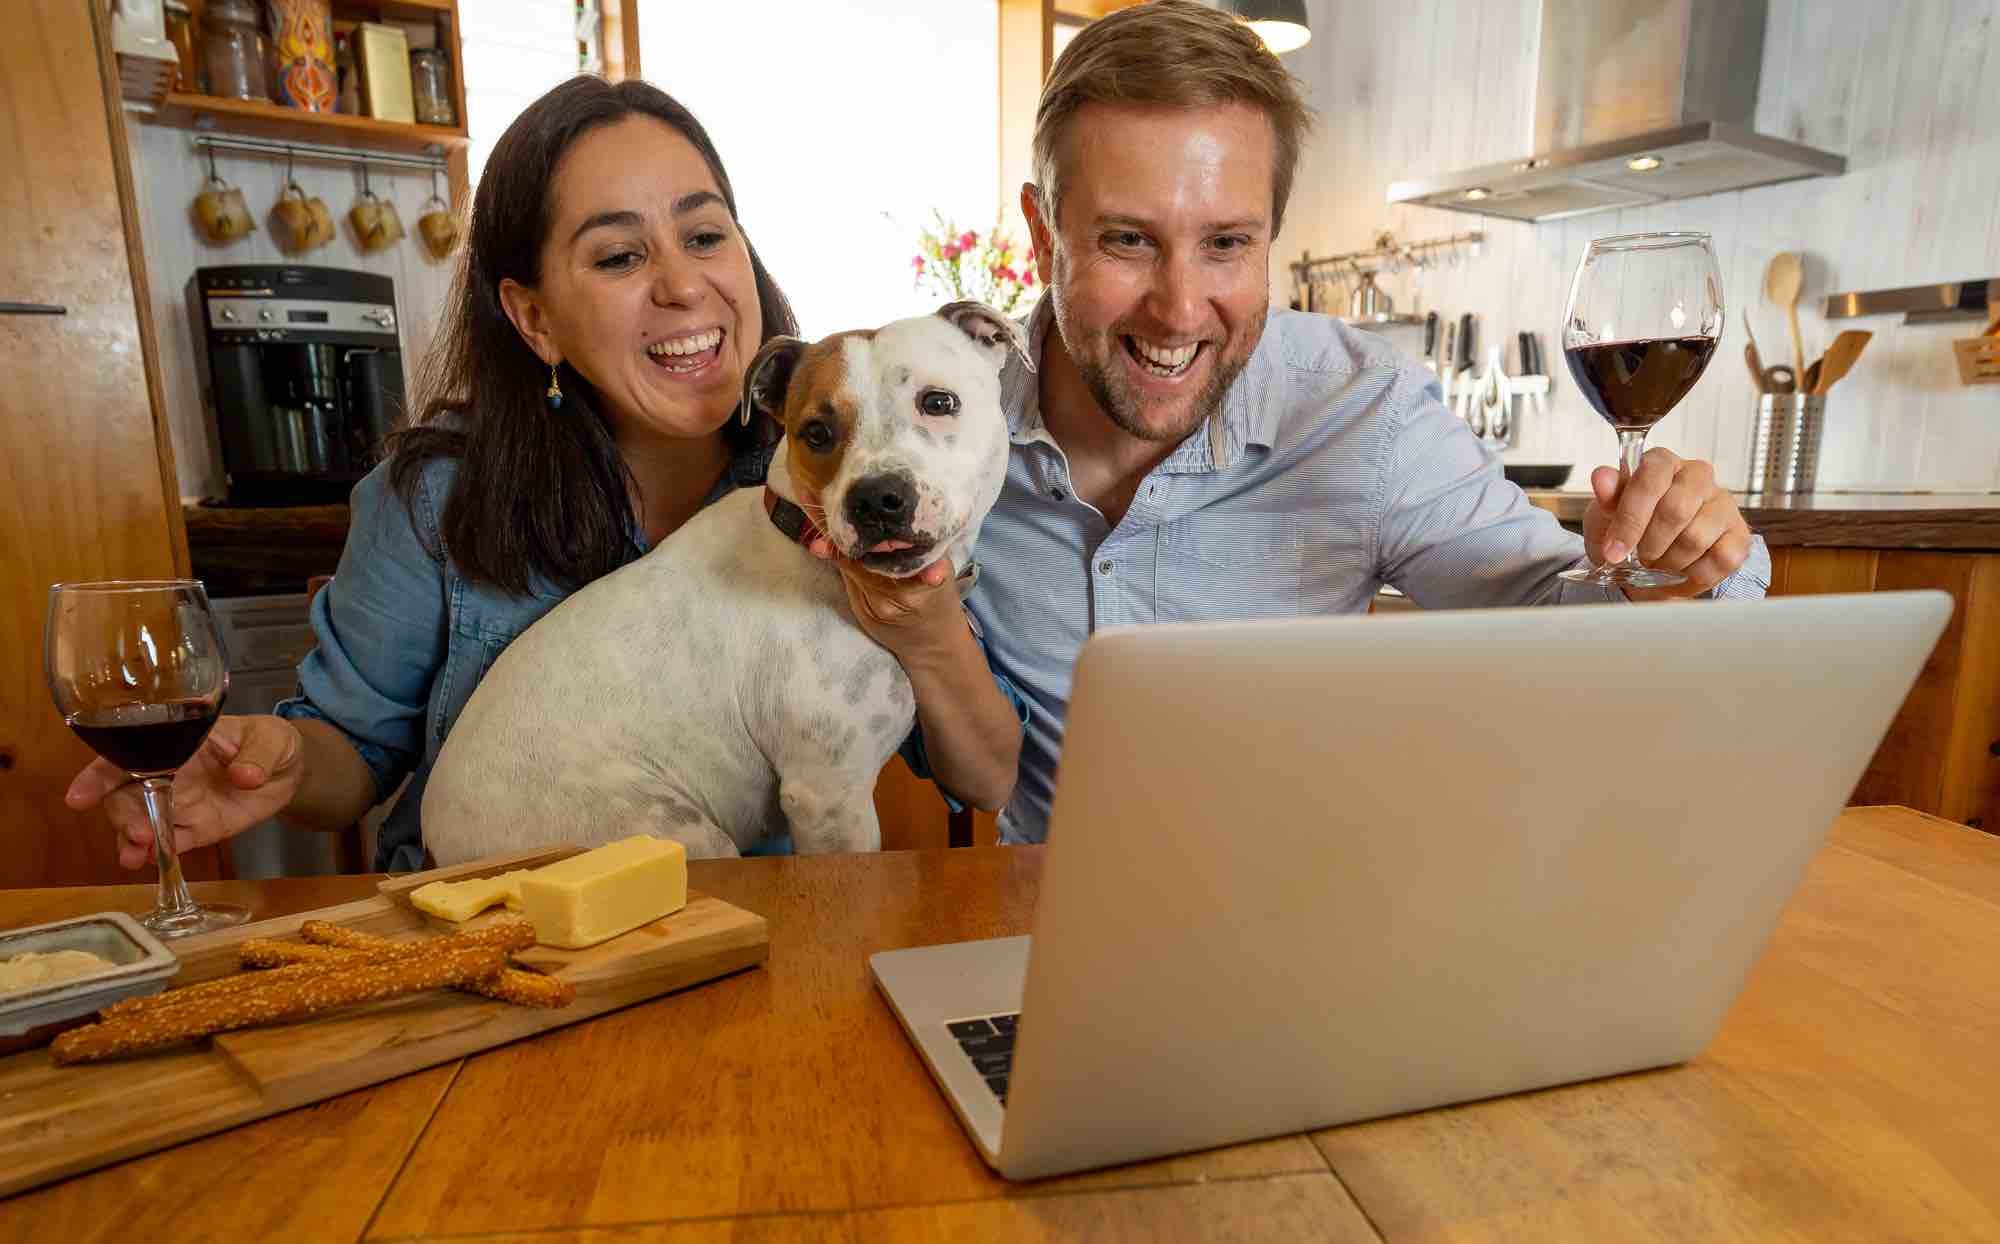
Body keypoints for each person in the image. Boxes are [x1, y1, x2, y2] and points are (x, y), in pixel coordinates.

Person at [68, 77, 1022, 872]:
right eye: (618, 255)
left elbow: (984, 778)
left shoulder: (831, 487)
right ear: (533, 319)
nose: (683, 285)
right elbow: (350, 755)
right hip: (487, 908)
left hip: (742, 929)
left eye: (704, 235)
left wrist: (928, 624)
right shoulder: (436, 495)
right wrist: (273, 762)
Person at [943, 0, 1771, 845]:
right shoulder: (937, 431)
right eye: (1128, 240)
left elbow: (1564, 625)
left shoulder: (1360, 409)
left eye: (1226, 243)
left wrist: (1676, 560)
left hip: (1298, 932)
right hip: (1029, 929)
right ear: (1044, 234)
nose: (1180, 308)